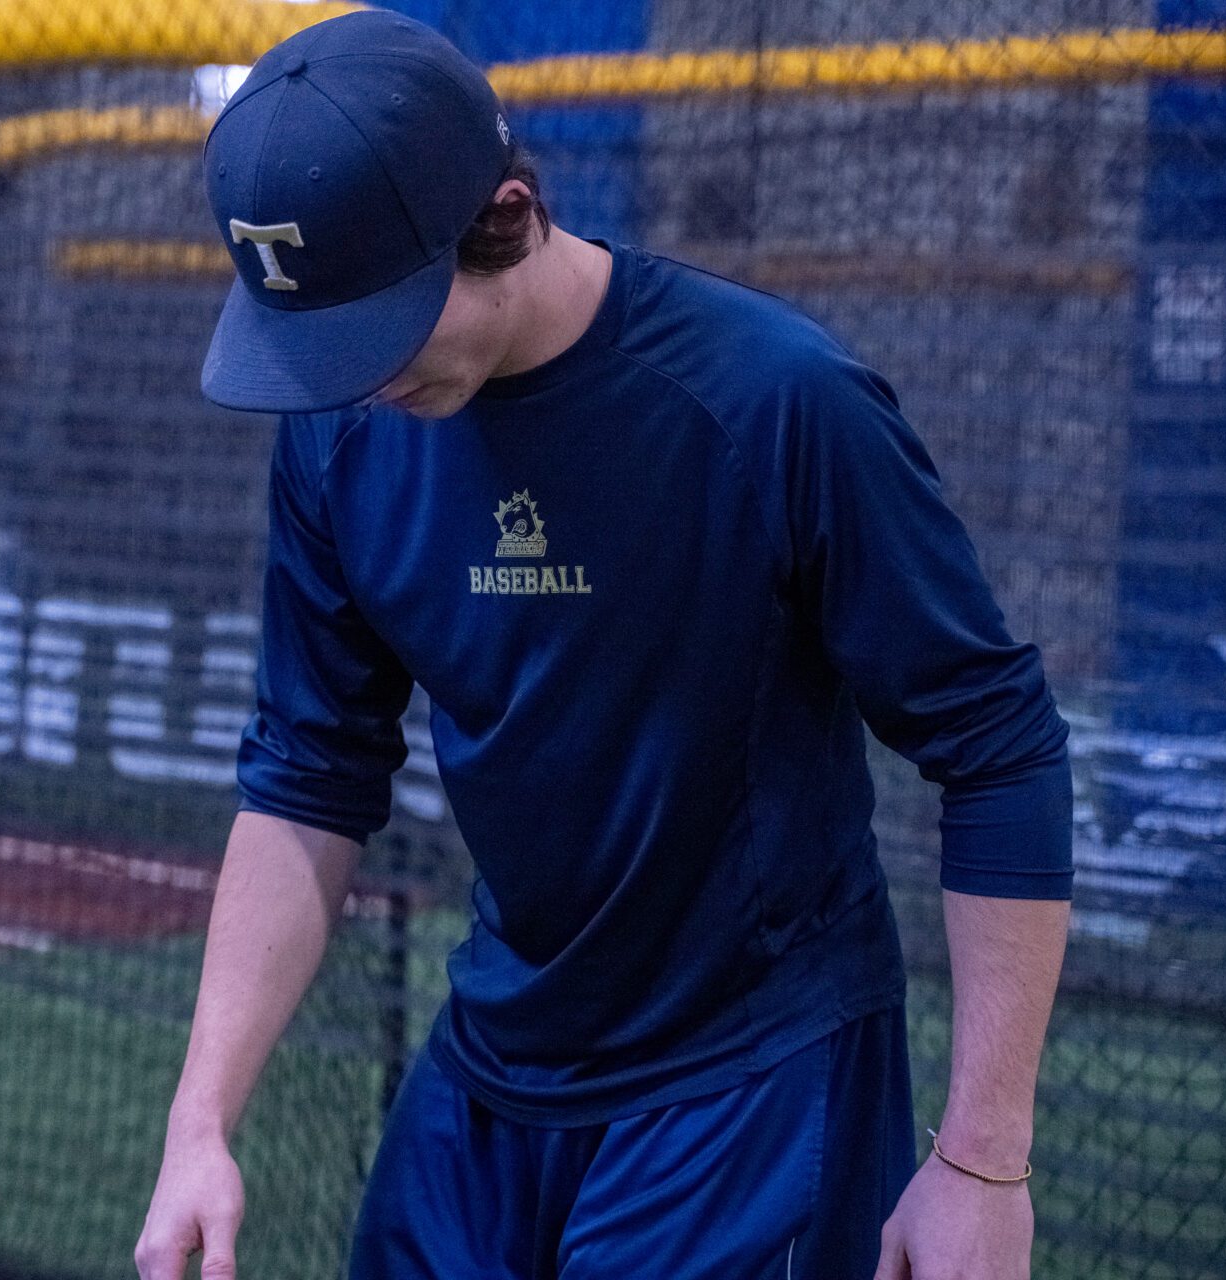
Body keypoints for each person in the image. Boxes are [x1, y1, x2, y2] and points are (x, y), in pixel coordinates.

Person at [136, 12, 1073, 1280]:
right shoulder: (340, 431)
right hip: (494, 1064)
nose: (349, 382)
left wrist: (981, 1159)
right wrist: (200, 1123)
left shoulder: (777, 400)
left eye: (377, 330)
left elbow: (1001, 750)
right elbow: (307, 775)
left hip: (743, 1079)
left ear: (507, 213)